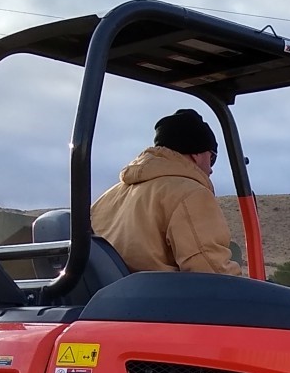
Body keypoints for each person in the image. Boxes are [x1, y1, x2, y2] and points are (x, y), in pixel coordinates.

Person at [89, 109, 244, 275]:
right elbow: (213, 272)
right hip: (161, 299)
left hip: (111, 298)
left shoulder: (107, 197)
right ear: (196, 153)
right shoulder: (191, 194)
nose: (211, 170)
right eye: (212, 158)